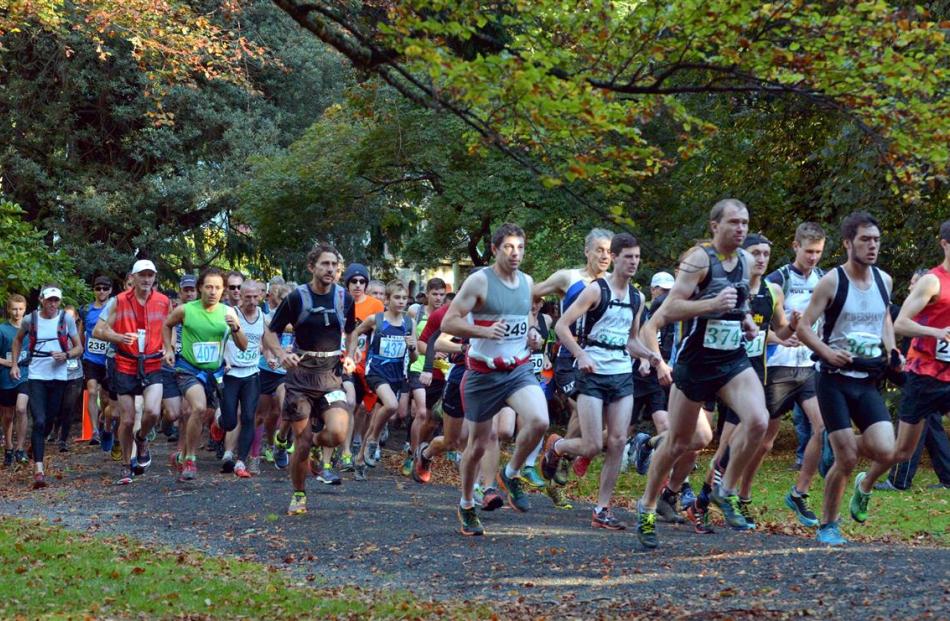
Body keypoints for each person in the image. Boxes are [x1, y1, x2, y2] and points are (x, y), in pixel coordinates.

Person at [634, 199, 768, 549]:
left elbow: (737, 303)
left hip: (732, 359)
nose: (740, 229)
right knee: (679, 441)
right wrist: (710, 305)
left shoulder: (745, 262)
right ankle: (647, 506)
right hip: (696, 363)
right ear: (715, 226)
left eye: (745, 222)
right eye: (734, 222)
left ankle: (724, 490)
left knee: (758, 421)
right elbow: (669, 309)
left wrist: (744, 322)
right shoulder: (698, 259)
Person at [543, 233, 661, 529]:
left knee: (618, 441)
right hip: (593, 373)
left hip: (621, 374)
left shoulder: (638, 297)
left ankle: (601, 509)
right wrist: (581, 355)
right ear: (616, 258)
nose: (633, 262)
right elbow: (561, 326)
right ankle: (557, 448)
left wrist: (649, 357)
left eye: (637, 257)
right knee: (593, 444)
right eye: (628, 257)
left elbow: (632, 340)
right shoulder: (596, 290)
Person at [796, 211, 899, 545]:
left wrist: (892, 350)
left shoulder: (884, 280)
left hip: (867, 378)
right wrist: (826, 352)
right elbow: (803, 326)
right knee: (848, 458)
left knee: (886, 451)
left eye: (876, 240)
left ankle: (860, 482)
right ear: (848, 243)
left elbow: (884, 319)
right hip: (833, 379)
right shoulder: (833, 281)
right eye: (865, 240)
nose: (872, 246)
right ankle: (828, 525)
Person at [686, 233, 798, 533]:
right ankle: (675, 484)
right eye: (755, 253)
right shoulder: (723, 284)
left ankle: (703, 502)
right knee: (697, 439)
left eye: (766, 253)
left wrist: (795, 328)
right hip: (710, 371)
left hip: (746, 378)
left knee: (728, 449)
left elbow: (779, 332)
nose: (761, 259)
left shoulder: (773, 292)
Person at [442, 223, 549, 536]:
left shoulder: (527, 282)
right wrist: (483, 331)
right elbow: (450, 321)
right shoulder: (479, 281)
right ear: (495, 249)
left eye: (520, 248)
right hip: (482, 373)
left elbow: (526, 318)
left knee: (539, 421)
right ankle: (465, 503)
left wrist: (531, 333)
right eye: (509, 248)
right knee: (476, 447)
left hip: (517, 369)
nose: (515, 254)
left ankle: (511, 472)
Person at [262, 243, 356, 515]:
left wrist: (349, 354)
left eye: (334, 265)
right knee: (300, 443)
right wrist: (281, 354)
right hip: (301, 375)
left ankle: (317, 444)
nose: (331, 269)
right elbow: (270, 331)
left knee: (338, 432)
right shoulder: (296, 298)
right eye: (325, 264)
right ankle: (299, 494)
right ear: (311, 267)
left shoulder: (343, 298)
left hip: (331, 374)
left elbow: (352, 331)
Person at [860, 221, 950, 497]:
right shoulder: (932, 281)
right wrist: (936, 332)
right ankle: (863, 481)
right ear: (945, 244)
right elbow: (900, 323)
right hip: (925, 376)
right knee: (902, 450)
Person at [533, 228, 614, 481]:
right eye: (599, 250)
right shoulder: (568, 277)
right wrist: (530, 321)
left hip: (601, 357)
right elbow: (532, 292)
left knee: (604, 423)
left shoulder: (614, 281)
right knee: (582, 408)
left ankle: (562, 451)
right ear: (586, 251)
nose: (604, 256)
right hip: (570, 354)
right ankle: (563, 453)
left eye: (609, 251)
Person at [764, 222, 828, 527]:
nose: (813, 257)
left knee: (821, 427)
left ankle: (799, 493)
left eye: (818, 251)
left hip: (810, 366)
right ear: (795, 246)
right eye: (808, 251)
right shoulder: (778, 279)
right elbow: (762, 324)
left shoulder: (825, 279)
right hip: (779, 364)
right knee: (764, 440)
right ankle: (733, 489)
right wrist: (780, 336)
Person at [163, 267, 247, 481]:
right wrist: (169, 349)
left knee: (219, 417)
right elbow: (167, 324)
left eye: (218, 288)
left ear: (223, 291)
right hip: (188, 369)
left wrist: (236, 328)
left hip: (215, 373)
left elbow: (243, 346)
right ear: (200, 288)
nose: (213, 291)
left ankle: (182, 454)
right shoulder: (186, 310)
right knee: (198, 407)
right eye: (209, 287)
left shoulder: (228, 313)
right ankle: (190, 459)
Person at [92, 259, 171, 484]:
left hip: (153, 363)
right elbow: (99, 330)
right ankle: (126, 465)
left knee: (153, 412)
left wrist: (169, 347)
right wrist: (118, 337)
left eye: (150, 275)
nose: (146, 279)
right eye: (142, 275)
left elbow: (170, 326)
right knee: (126, 419)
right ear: (133, 278)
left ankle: (142, 437)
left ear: (155, 277)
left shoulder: (163, 301)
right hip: (125, 363)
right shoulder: (118, 301)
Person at [10, 285, 83, 488]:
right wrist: (15, 364)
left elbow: (79, 347)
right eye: (49, 300)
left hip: (59, 376)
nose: (53, 304)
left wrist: (66, 354)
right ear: (42, 299)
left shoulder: (65, 319)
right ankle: (39, 470)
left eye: (56, 300)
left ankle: (36, 445)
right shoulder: (30, 319)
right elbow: (17, 341)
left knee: (50, 420)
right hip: (36, 375)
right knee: (40, 420)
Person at [350, 280, 417, 477]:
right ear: (387, 300)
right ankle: (373, 440)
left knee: (377, 418)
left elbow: (413, 359)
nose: (401, 301)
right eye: (397, 297)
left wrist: (413, 347)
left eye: (404, 298)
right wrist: (352, 353)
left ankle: (360, 459)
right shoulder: (375, 320)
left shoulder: (409, 323)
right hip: (376, 372)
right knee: (392, 405)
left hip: (397, 375)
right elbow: (355, 332)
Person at [219, 280, 265, 478]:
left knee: (248, 417)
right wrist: (223, 359)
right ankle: (217, 421)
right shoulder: (231, 315)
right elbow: (217, 338)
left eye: (256, 297)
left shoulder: (263, 315)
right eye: (248, 297)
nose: (252, 301)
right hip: (231, 373)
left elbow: (267, 340)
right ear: (241, 296)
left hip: (252, 373)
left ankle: (240, 462)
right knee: (229, 421)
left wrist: (271, 355)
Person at [79, 275, 113, 446]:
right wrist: (79, 349)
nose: (101, 291)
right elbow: (81, 332)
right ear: (93, 290)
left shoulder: (115, 307)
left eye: (105, 288)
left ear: (110, 290)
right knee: (92, 391)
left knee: (106, 399)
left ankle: (104, 423)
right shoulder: (86, 309)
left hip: (109, 358)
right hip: (90, 357)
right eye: (98, 288)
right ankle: (94, 431)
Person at [0, 294, 30, 467]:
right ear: (8, 310)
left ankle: (20, 448)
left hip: (25, 375)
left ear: (25, 309)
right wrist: (11, 363)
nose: (17, 312)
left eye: (20, 309)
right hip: (5, 377)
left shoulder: (30, 328)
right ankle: (9, 448)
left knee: (21, 408)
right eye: (14, 309)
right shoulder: (2, 330)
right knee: (7, 416)